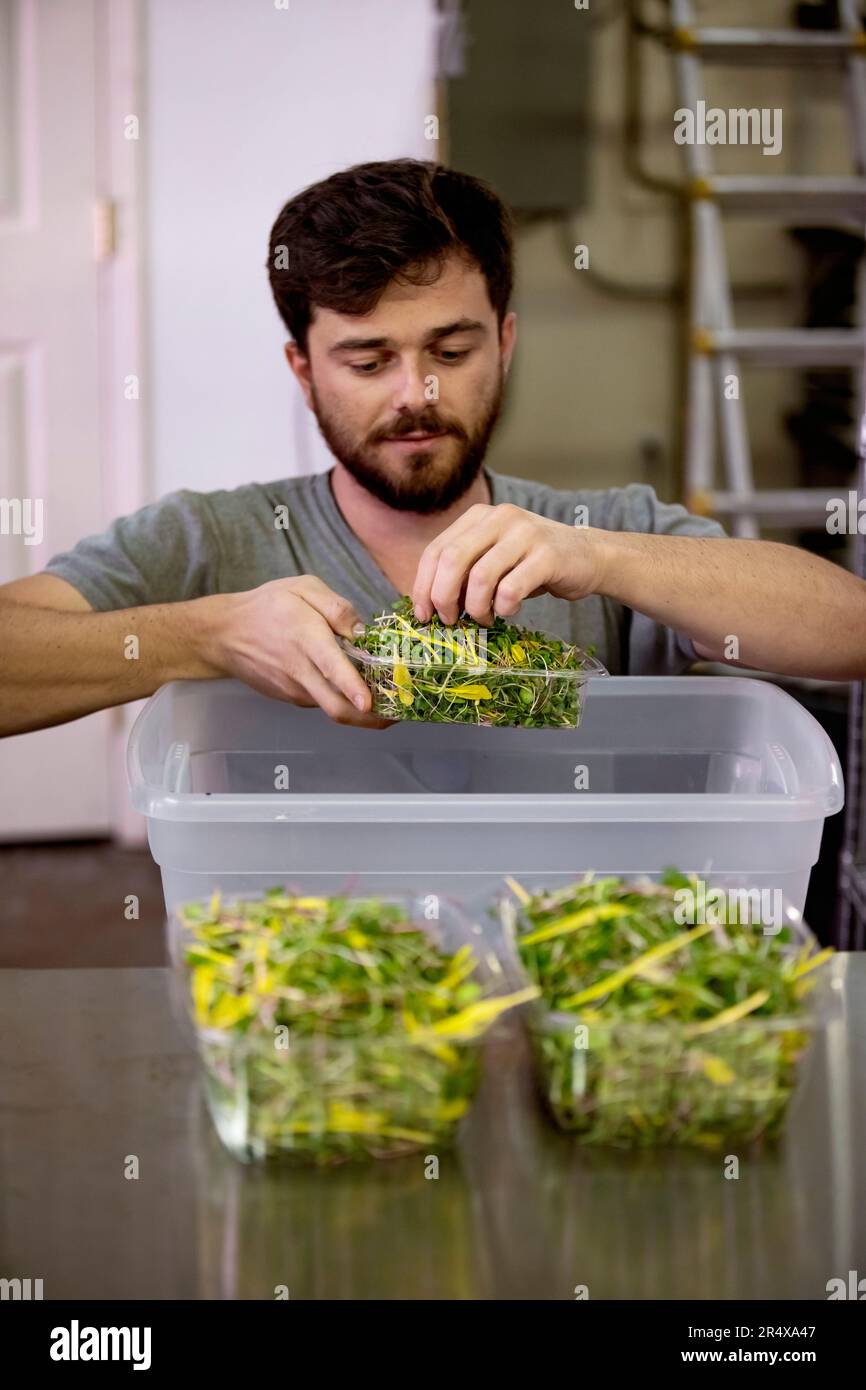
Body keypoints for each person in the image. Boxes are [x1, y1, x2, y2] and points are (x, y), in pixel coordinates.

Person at [2, 159, 865, 739]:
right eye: (369, 361)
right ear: (303, 369)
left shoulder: (597, 533)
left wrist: (601, 557)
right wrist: (209, 636)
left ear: (506, 342)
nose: (416, 394)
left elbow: (851, 633)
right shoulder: (212, 541)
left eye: (451, 353)